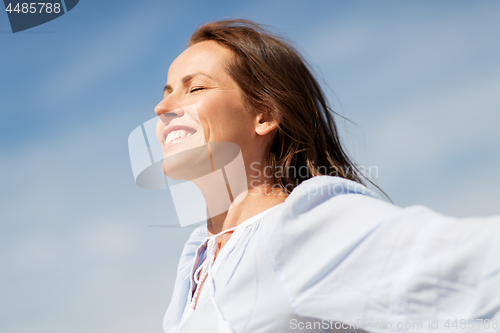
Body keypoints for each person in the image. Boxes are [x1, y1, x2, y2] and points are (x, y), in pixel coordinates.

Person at [153, 19, 500, 333]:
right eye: (167, 92)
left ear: (264, 114)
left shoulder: (300, 226)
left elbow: (478, 269)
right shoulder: (197, 259)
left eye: (195, 89)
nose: (162, 108)